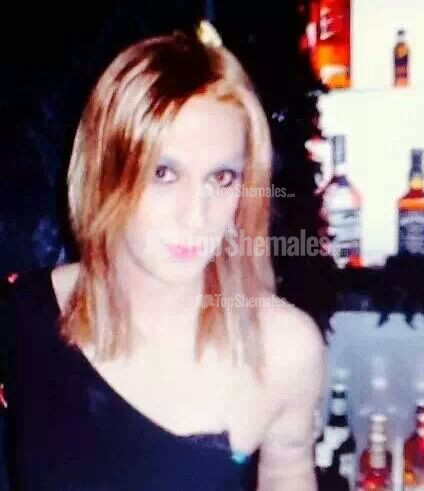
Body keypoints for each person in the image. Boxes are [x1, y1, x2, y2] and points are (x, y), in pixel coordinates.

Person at [0, 27, 326, 490]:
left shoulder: (285, 351)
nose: (196, 215)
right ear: (106, 171)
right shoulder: (23, 316)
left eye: (221, 178)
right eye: (164, 172)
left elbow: (287, 475)